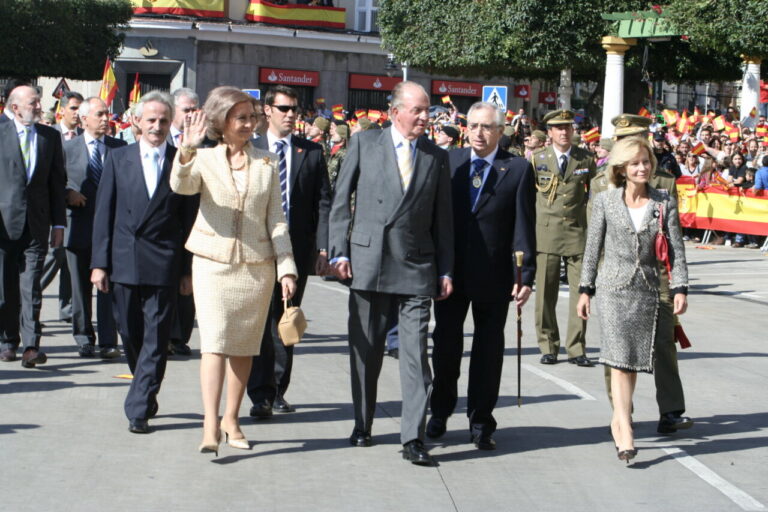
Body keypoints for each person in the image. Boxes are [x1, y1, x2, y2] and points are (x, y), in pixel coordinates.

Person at [329, 81, 453, 465]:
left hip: (416, 265)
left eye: (427, 110)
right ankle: (363, 422)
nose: (424, 117)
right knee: (366, 350)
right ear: (396, 111)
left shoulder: (435, 156)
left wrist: (446, 269)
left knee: (415, 354)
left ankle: (412, 436)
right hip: (369, 262)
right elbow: (340, 203)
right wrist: (338, 252)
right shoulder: (365, 144)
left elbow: (443, 220)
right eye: (417, 110)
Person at [171, 86, 298, 455]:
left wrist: (286, 267)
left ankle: (232, 418)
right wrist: (187, 148)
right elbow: (181, 186)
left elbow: (276, 219)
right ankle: (210, 422)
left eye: (251, 117)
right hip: (212, 264)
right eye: (240, 118)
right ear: (221, 122)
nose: (248, 124)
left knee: (243, 346)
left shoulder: (267, 163)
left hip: (256, 268)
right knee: (213, 343)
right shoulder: (205, 158)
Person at [427, 102, 536, 450]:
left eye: (487, 127)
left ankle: (481, 422)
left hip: (495, 274)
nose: (478, 132)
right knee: (445, 347)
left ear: (500, 132)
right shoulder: (450, 162)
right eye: (473, 125)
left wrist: (525, 274)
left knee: (488, 353)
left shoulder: (517, 169)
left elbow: (524, 225)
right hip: (451, 274)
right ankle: (440, 410)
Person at [91, 91, 198, 434]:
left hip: (164, 261)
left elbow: (188, 220)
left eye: (164, 121)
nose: (157, 126)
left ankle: (138, 406)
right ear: (136, 121)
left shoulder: (181, 160)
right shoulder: (117, 159)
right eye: (150, 120)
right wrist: (99, 264)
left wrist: (186, 269)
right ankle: (146, 389)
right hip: (124, 261)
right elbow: (103, 214)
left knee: (156, 337)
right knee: (131, 333)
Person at [578, 137, 688, 462]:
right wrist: (586, 289)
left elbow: (677, 252)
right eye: (635, 163)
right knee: (619, 360)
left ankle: (618, 416)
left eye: (646, 162)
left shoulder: (662, 202)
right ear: (622, 168)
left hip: (647, 291)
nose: (642, 168)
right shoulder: (605, 201)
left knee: (634, 361)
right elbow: (592, 249)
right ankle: (624, 426)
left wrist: (680, 288)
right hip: (612, 290)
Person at [247, 85, 331, 419]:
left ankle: (278, 390)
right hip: (255, 249)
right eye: (284, 108)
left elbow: (324, 202)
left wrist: (324, 247)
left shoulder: (310, 152)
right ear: (267, 110)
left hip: (295, 251)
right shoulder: (250, 148)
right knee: (259, 323)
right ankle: (259, 392)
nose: (291, 114)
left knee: (285, 318)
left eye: (295, 109)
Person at [0, 85, 67, 367]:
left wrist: (59, 224)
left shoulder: (49, 137)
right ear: (15, 107)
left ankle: (31, 346)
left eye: (38, 102)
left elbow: (56, 183)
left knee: (31, 287)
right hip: (4, 225)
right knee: (5, 288)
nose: (40, 107)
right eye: (33, 102)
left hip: (37, 224)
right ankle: (7, 341)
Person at [532, 109, 596, 366]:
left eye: (568, 127)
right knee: (545, 294)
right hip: (546, 232)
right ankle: (548, 345)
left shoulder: (585, 159)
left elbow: (594, 196)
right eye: (558, 128)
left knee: (581, 293)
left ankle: (576, 348)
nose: (564, 132)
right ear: (549, 132)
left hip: (577, 233)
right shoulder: (537, 159)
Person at [63, 97, 125, 358]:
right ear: (85, 118)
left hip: (110, 230)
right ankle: (84, 337)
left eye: (107, 113)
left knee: (107, 286)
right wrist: (68, 193)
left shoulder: (119, 148)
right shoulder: (67, 148)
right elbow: (54, 181)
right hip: (78, 226)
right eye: (99, 114)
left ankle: (108, 341)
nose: (105, 118)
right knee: (80, 288)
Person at [167, 87, 203, 357]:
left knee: (188, 279)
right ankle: (163, 332)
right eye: (186, 110)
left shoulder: (207, 142)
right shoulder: (161, 139)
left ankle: (180, 336)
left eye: (194, 109)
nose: (191, 115)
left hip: (196, 219)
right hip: (166, 219)